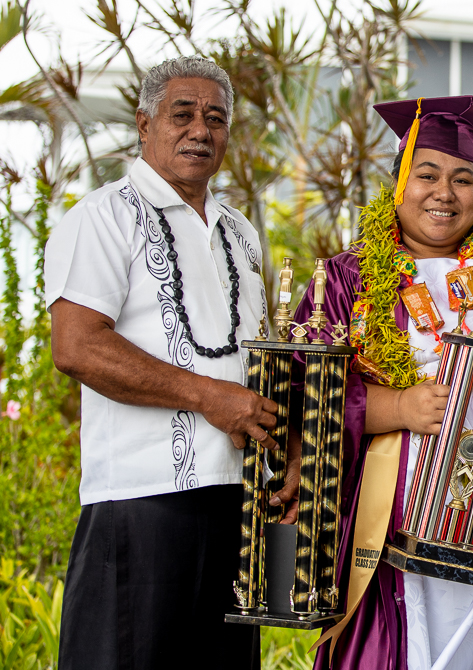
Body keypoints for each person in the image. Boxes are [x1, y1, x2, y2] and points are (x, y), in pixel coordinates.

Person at [294, 95, 473, 670]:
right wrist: (398, 406)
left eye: (463, 179)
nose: (444, 193)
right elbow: (313, 389)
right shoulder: (346, 277)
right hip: (389, 518)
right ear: (399, 183)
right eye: (426, 174)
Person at [46, 56, 270, 669]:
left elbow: (259, 363)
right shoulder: (102, 216)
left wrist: (290, 455)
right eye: (183, 114)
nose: (201, 129)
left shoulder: (241, 232)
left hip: (234, 502)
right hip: (141, 503)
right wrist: (208, 397)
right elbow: (78, 346)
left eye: (216, 118)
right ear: (144, 125)